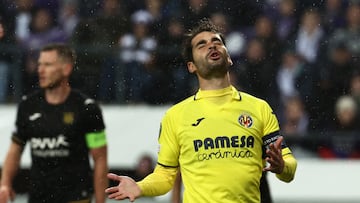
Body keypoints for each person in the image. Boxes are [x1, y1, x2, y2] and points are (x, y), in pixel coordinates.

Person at [105, 18, 297, 203]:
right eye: (201, 45)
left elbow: (289, 167)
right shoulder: (176, 116)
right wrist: (140, 187)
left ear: (229, 58)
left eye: (217, 42)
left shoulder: (259, 108)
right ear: (191, 66)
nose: (212, 46)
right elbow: (165, 175)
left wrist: (282, 167)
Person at [0, 43, 108, 203]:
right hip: (38, 198)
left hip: (76, 199)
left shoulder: (87, 108)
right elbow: (15, 149)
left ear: (66, 69)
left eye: (48, 65)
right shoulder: (27, 106)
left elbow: (100, 159)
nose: (40, 70)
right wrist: (5, 184)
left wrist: (100, 201)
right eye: (39, 64)